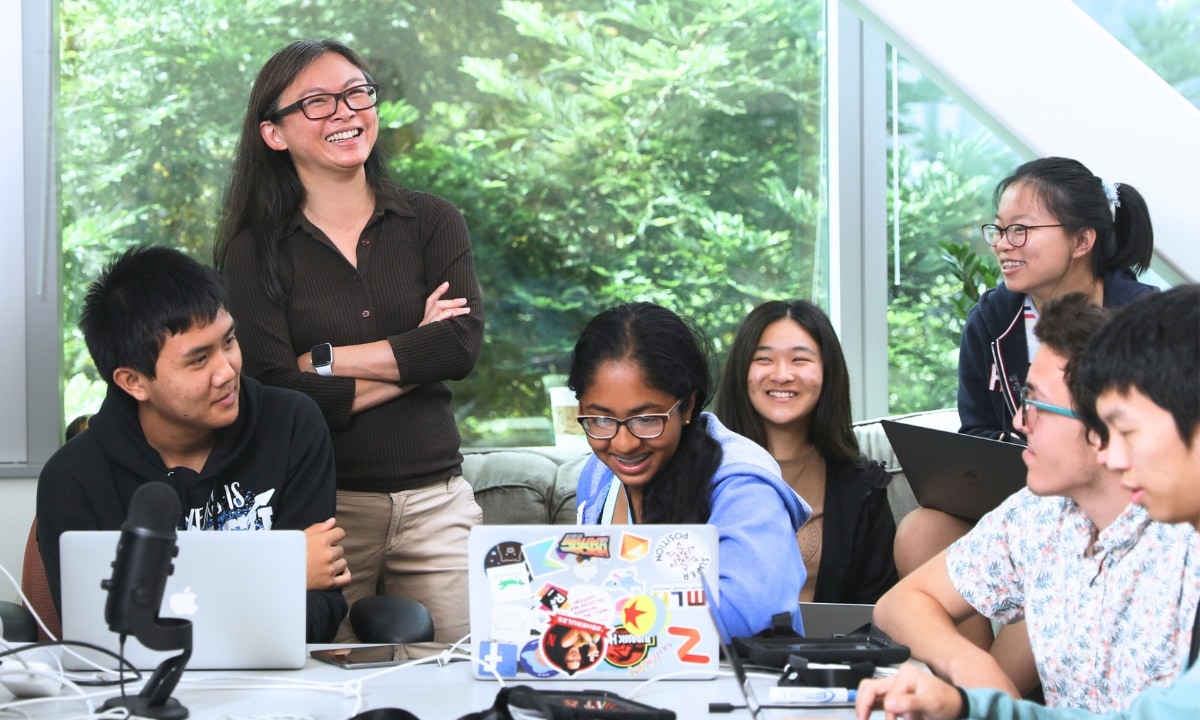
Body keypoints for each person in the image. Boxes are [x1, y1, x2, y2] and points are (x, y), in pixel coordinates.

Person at [213, 39, 485, 643]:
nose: (344, 111)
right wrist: (417, 346)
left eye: (355, 92)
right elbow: (278, 392)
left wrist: (328, 363)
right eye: (316, 102)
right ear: (274, 134)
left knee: (467, 677)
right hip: (324, 513)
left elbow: (461, 346)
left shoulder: (433, 221)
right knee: (327, 689)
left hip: (437, 506)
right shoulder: (253, 252)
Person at [856, 284, 1200, 720]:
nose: (1018, 422)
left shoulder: (1183, 531)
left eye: (1036, 403)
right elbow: (901, 604)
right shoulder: (1039, 513)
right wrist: (971, 680)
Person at [895, 156, 1160, 644]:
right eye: (997, 230)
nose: (1001, 245)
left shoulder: (1147, 321)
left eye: (1020, 230)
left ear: (1082, 240)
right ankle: (974, 678)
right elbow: (976, 427)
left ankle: (986, 696)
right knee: (921, 530)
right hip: (1021, 490)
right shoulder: (992, 320)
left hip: (1120, 502)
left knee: (1063, 545)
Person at [36, 246, 349, 643]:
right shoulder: (73, 477)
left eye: (229, 341)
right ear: (133, 381)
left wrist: (170, 603)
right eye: (198, 360)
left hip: (277, 685)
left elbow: (319, 611)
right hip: (141, 692)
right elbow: (105, 634)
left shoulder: (292, 425)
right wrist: (278, 571)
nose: (227, 370)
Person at [570, 302, 809, 640]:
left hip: (737, 684)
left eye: (646, 419)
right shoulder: (597, 477)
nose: (623, 444)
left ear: (688, 406)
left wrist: (578, 611)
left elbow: (749, 613)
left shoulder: (743, 483)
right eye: (602, 420)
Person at [714, 299, 897, 603]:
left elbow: (878, 608)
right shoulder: (699, 474)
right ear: (741, 371)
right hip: (722, 649)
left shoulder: (865, 488)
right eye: (764, 359)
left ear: (828, 371)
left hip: (834, 651)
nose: (782, 374)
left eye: (799, 360)